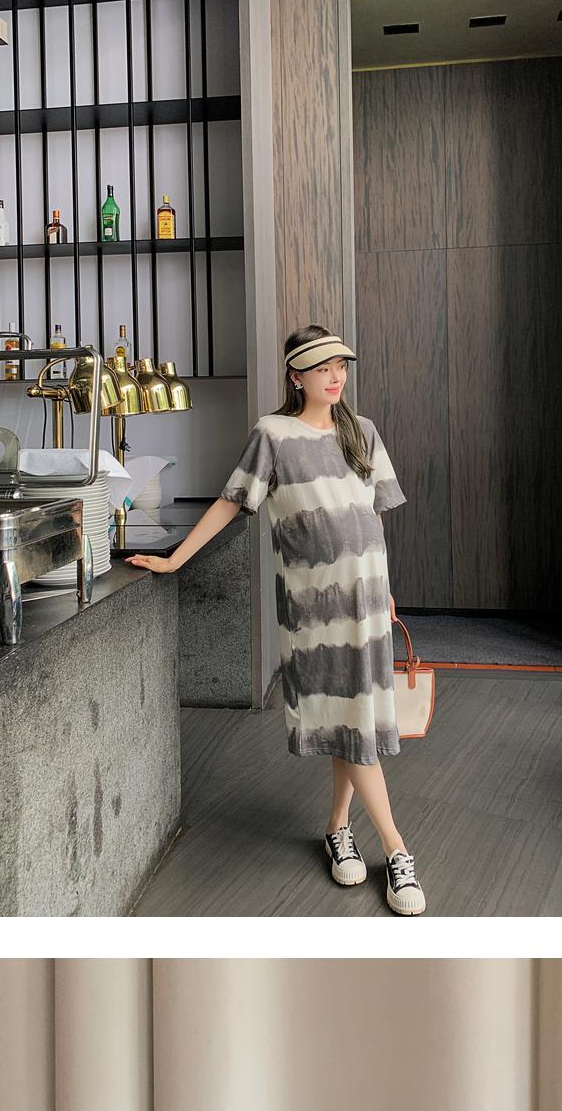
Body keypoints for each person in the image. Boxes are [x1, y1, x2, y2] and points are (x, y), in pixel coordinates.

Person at [130, 323, 424, 914]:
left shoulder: (363, 432)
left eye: (340, 366)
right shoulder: (273, 435)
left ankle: (339, 828)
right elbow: (231, 501)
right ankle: (397, 850)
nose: (335, 377)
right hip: (315, 610)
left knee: (351, 717)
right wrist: (175, 559)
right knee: (350, 716)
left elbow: (373, 516)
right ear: (296, 377)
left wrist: (388, 589)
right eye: (321, 368)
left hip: (366, 599)